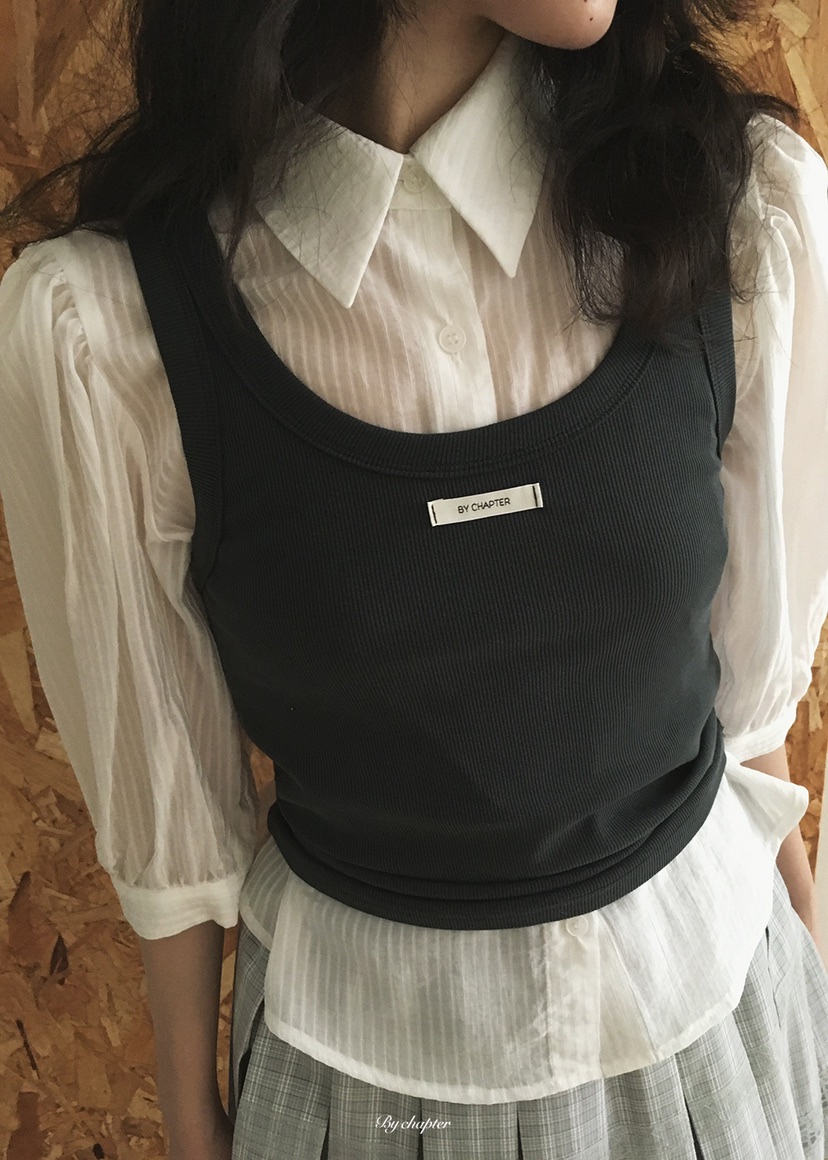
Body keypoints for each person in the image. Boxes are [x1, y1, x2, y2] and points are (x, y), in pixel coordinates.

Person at [1, 1, 828, 1158]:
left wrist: (805, 960)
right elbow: (173, 837)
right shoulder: (116, 332)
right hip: (369, 1094)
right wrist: (193, 1119)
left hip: (723, 1024)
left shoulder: (742, 210)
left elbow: (750, 710)